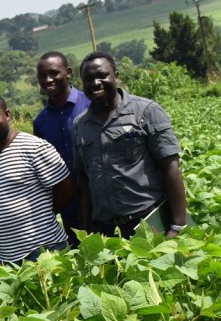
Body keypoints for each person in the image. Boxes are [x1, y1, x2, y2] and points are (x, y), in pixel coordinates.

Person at [73, 51, 188, 238]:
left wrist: (177, 225)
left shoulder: (146, 112)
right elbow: (85, 181)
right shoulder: (80, 125)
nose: (95, 83)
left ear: (116, 76)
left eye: (102, 75)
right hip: (105, 230)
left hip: (148, 221)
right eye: (88, 79)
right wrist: (86, 234)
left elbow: (171, 167)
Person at [0, 94, 75, 264]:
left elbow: (67, 187)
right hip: (7, 259)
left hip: (46, 251)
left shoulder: (34, 147)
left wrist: (43, 214)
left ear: (7, 115)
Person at [33, 52, 91, 242]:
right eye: (42, 76)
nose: (48, 80)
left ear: (68, 72)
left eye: (54, 73)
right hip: (69, 204)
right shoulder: (41, 122)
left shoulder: (90, 104)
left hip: (99, 197)